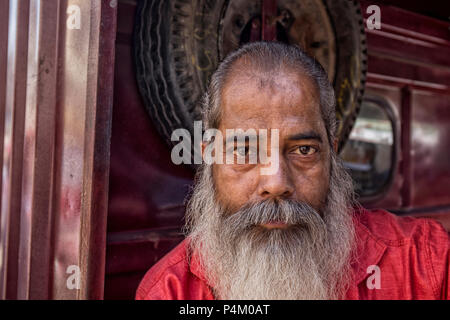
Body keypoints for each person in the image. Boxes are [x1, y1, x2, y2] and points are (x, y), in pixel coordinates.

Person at [136, 42, 449, 300]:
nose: (276, 183)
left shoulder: (424, 264)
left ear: (332, 154)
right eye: (245, 151)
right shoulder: (170, 292)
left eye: (303, 150)